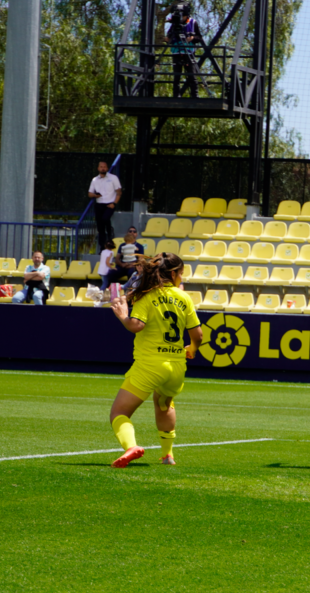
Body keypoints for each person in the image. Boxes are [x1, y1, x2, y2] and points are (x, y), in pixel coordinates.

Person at [108, 252, 203, 468]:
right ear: (173, 273)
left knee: (119, 412)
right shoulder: (184, 297)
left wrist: (123, 315)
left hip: (150, 364)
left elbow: (136, 326)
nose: (182, 278)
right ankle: (167, 454)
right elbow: (198, 336)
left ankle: (131, 447)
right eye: (181, 273)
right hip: (177, 366)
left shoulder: (147, 296)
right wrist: (193, 349)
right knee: (164, 404)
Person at [166, 2, 199, 98]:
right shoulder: (175, 24)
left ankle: (195, 96)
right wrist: (168, 40)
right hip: (176, 52)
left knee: (192, 75)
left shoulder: (193, 23)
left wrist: (192, 38)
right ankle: (176, 95)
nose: (181, 18)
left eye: (183, 16)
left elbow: (199, 38)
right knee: (177, 76)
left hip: (189, 52)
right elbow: (169, 37)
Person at [88, 161, 122, 247]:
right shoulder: (94, 180)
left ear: (107, 168)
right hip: (99, 204)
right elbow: (89, 193)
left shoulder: (113, 178)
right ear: (98, 168)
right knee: (100, 227)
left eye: (104, 167)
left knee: (105, 218)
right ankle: (102, 246)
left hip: (110, 204)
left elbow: (119, 192)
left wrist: (114, 203)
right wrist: (95, 195)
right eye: (101, 166)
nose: (103, 168)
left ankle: (110, 233)